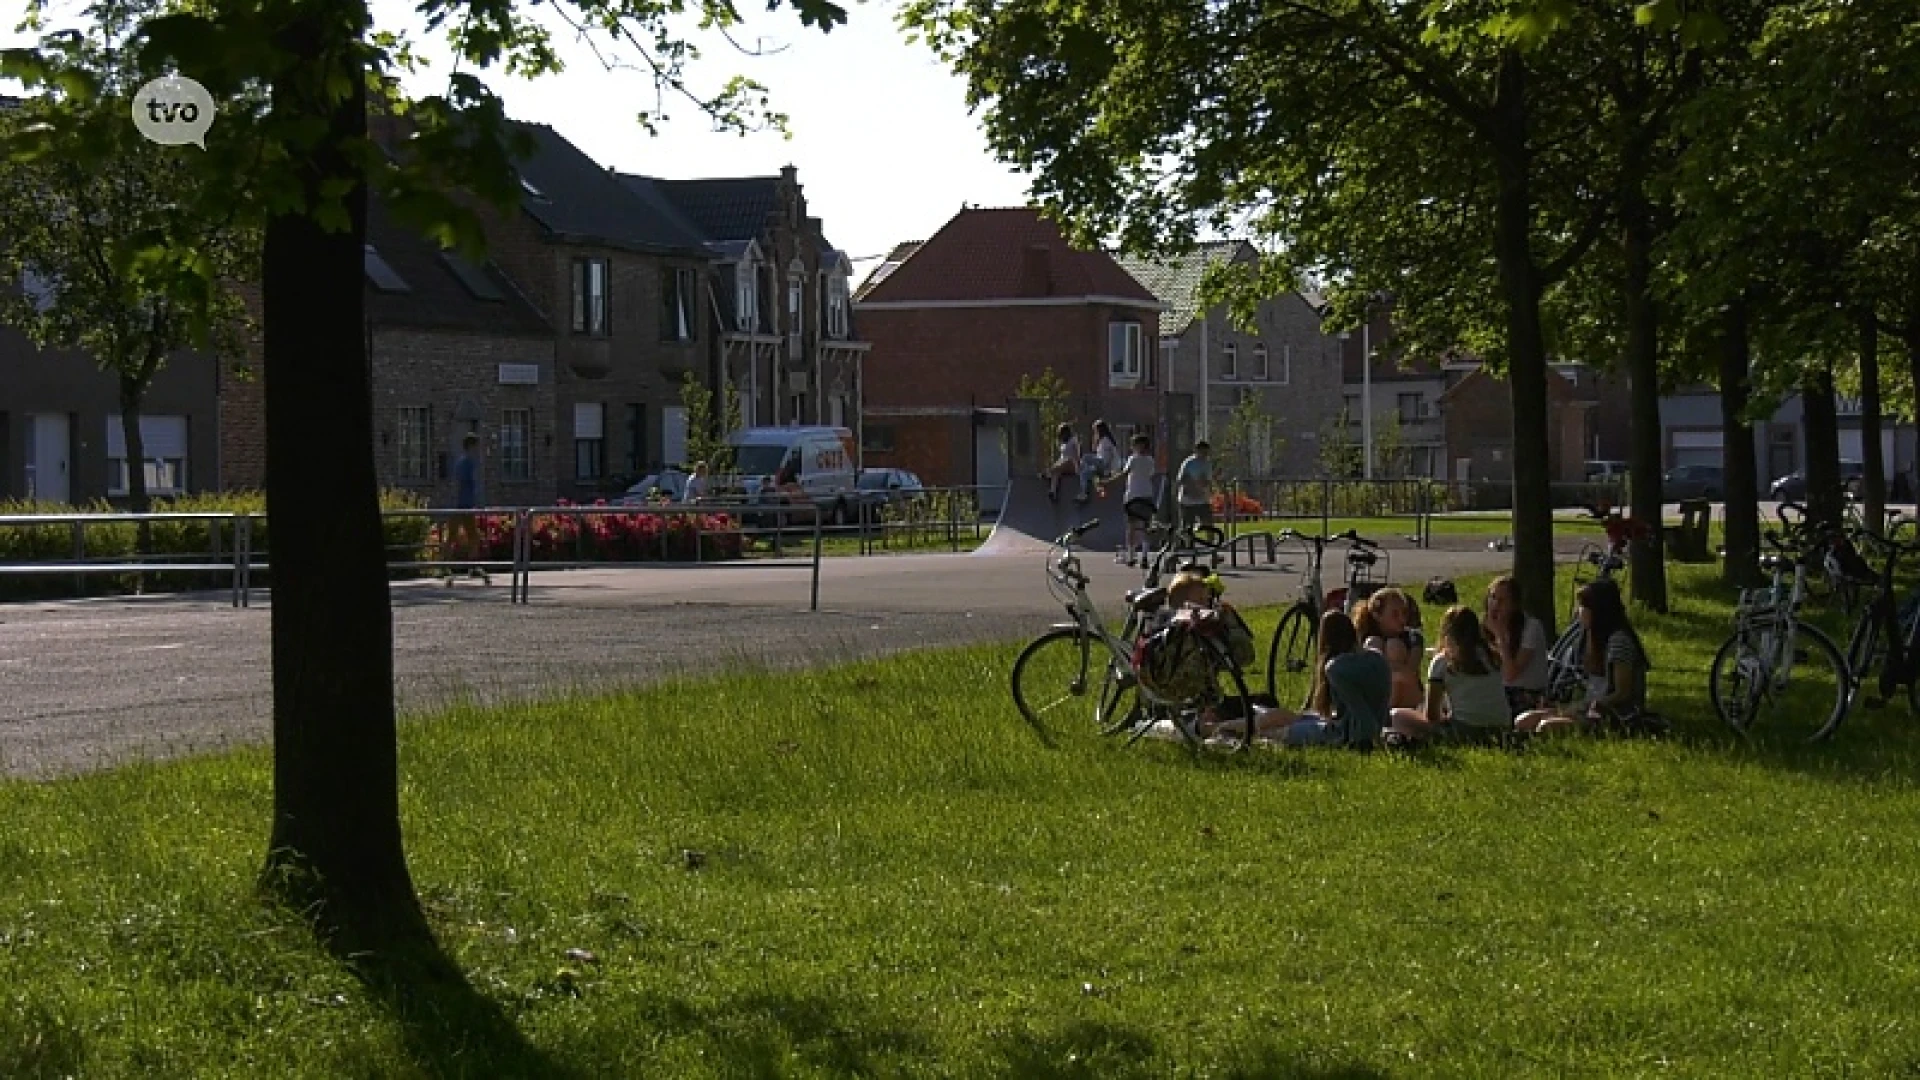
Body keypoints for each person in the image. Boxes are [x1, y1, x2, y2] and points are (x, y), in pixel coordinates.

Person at [1201, 610, 1389, 749]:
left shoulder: (1335, 667)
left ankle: (1218, 728)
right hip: (1343, 725)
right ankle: (1220, 726)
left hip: (1342, 734)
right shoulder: (1376, 658)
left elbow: (1358, 711)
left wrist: (1364, 738)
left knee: (1273, 731)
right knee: (1284, 716)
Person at [1515, 579, 1651, 735]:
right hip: (1587, 707)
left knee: (1546, 727)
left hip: (1613, 714)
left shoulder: (1618, 641)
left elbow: (1622, 693)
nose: (1578, 612)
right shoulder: (1587, 638)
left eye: (1583, 606)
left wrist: (1586, 705)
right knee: (1523, 720)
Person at [1391, 606, 1512, 740]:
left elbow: (1431, 715)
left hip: (1465, 731)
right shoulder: (1492, 657)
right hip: (1501, 729)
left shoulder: (1443, 661)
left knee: (1397, 716)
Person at [1485, 575, 1550, 716]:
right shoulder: (1485, 627)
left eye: (1502, 600)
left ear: (1514, 604)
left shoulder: (1531, 627)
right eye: (1493, 598)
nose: (1495, 605)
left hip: (1526, 694)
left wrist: (1500, 636)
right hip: (1499, 690)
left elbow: (1510, 674)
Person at [1353, 587, 1422, 709]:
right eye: (1395, 614)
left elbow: (1410, 673)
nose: (1402, 619)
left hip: (1408, 698)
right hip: (1378, 696)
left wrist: (1381, 666)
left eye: (1404, 613)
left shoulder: (1413, 637)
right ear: (1377, 616)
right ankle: (1381, 711)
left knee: (1394, 645)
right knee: (1373, 643)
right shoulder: (1364, 638)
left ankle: (1386, 712)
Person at [448, 433, 489, 586]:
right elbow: (468, 485)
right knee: (472, 537)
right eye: (476, 446)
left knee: (456, 536)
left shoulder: (461, 462)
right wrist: (476, 503)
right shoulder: (468, 463)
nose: (478, 449)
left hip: (461, 504)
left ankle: (448, 566)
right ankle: (469, 566)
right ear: (471, 446)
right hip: (464, 505)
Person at [1117, 433, 1158, 565]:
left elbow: (1124, 473)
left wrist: (1106, 482)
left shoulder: (1133, 459)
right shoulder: (1150, 460)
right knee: (1145, 526)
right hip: (1147, 494)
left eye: (1134, 445)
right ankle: (1144, 555)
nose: (1132, 447)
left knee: (1131, 526)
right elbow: (1151, 474)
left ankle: (1131, 555)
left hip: (1133, 496)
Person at [1174, 440, 1214, 535]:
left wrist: (1207, 488)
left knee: (1208, 522)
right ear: (1196, 451)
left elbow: (1208, 480)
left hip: (1202, 499)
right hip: (1188, 499)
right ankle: (1186, 544)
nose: (1204, 454)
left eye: (1206, 452)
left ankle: (1211, 544)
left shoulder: (1207, 463)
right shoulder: (1189, 462)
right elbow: (1181, 479)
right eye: (1202, 451)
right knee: (1187, 524)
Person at [1077, 419, 1121, 504]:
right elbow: (1094, 450)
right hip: (1100, 466)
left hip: (1104, 465)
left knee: (1086, 457)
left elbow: (1108, 458)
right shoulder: (1101, 442)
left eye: (1095, 431)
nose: (1095, 433)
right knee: (1084, 474)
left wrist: (1107, 470)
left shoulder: (1106, 440)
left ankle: (1091, 477)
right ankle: (1084, 493)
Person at [1044, 423, 1080, 502]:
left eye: (1062, 434)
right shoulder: (1063, 444)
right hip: (1063, 464)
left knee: (1064, 462)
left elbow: (1077, 454)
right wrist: (1055, 465)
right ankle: (1053, 492)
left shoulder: (1073, 440)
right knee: (1056, 472)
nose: (1062, 436)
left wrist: (1079, 467)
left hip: (1072, 464)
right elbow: (1061, 457)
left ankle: (1050, 472)